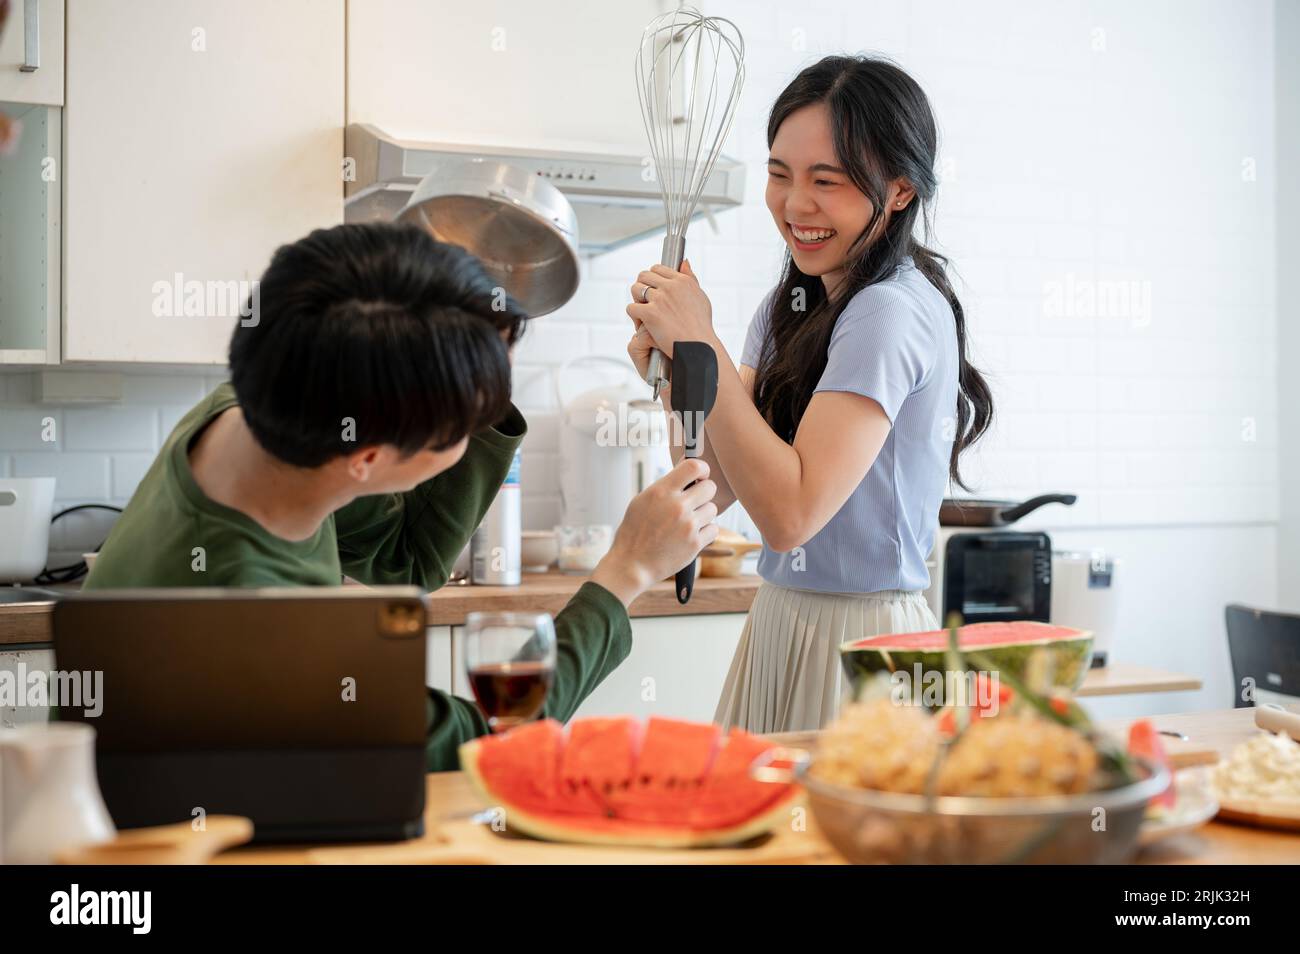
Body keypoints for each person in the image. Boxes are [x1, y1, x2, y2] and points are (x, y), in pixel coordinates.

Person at [86, 222, 719, 769]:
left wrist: (464, 323)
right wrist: (626, 570)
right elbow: (489, 737)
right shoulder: (269, 632)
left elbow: (404, 562)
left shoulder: (251, 416)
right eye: (462, 426)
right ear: (367, 459)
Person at [626, 55, 993, 733]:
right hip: (782, 620)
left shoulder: (889, 311)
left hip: (867, 644)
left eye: (826, 181)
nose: (795, 205)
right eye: (779, 174)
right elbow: (723, 482)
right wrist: (680, 372)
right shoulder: (790, 304)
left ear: (901, 190)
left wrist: (702, 342)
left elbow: (790, 514)